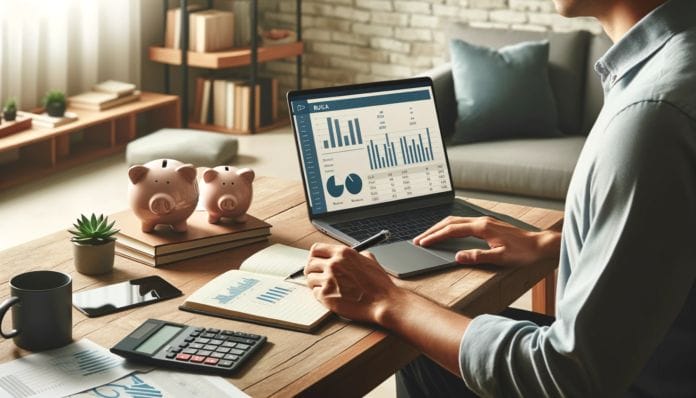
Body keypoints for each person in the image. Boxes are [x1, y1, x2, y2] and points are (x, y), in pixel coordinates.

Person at [304, 0, 696, 395]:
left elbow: (566, 379)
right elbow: (672, 243)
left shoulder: (653, 115)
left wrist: (388, 300)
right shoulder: (676, 65)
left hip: (647, 379)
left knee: (419, 342)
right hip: (663, 355)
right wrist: (556, 245)